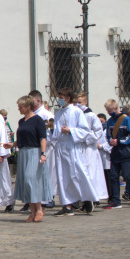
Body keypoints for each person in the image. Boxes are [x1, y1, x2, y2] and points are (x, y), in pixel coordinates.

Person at [49, 87, 97, 215]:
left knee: (77, 174)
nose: (59, 100)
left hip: (72, 146)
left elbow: (85, 130)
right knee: (62, 176)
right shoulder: (58, 113)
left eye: (61, 97)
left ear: (68, 98)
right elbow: (56, 131)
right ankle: (67, 204)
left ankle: (87, 199)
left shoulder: (76, 112)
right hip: (60, 147)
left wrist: (71, 130)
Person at [3, 95, 50, 223]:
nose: (19, 109)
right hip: (23, 153)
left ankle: (39, 208)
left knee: (31, 179)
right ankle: (32, 211)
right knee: (25, 182)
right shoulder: (21, 121)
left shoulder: (38, 120)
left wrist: (43, 153)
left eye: (21, 107)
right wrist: (12, 144)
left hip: (34, 152)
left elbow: (42, 137)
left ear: (28, 106)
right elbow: (22, 138)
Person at [104, 99, 130, 209]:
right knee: (113, 176)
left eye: (110, 110)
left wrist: (120, 141)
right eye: (107, 111)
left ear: (116, 108)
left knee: (126, 175)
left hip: (126, 152)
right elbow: (108, 134)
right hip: (115, 152)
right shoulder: (110, 121)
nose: (109, 113)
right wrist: (110, 141)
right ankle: (116, 200)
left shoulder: (126, 119)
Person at [75, 93, 108, 206]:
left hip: (89, 148)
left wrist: (86, 139)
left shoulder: (91, 116)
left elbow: (98, 132)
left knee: (91, 173)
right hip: (79, 147)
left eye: (80, 103)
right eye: (76, 103)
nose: (78, 105)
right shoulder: (76, 115)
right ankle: (82, 198)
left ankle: (93, 197)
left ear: (85, 102)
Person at [28, 90, 56, 208]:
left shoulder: (47, 115)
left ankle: (49, 197)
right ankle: (37, 198)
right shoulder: (31, 114)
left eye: (31, 101)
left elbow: (52, 133)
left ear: (38, 101)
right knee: (36, 174)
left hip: (47, 146)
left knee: (47, 173)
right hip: (35, 147)